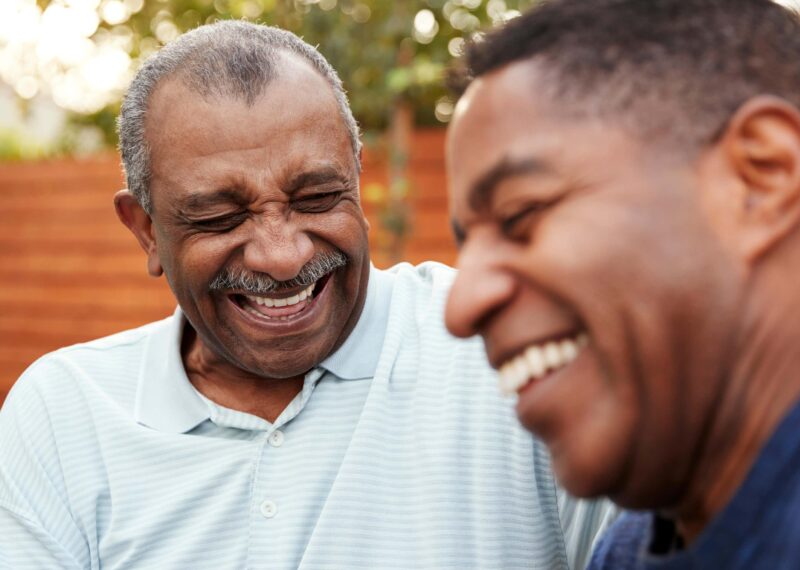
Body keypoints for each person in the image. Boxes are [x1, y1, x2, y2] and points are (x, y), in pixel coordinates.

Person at [0, 20, 612, 569]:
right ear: (146, 231)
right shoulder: (65, 417)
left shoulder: (508, 351)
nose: (283, 255)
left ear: (356, 177)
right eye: (219, 217)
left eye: (318, 198)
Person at [443, 0, 800, 567]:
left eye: (521, 216)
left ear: (761, 177)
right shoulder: (625, 550)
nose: (460, 305)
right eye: (465, 243)